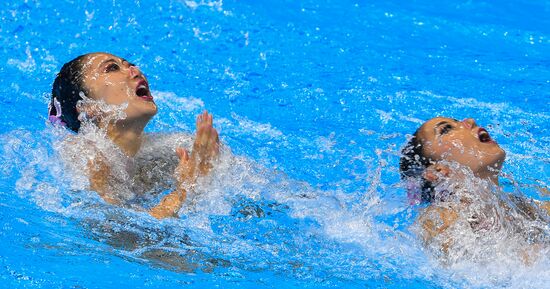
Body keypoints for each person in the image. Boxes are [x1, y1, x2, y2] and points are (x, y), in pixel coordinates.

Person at [48, 52, 220, 219]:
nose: (135, 70)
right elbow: (117, 234)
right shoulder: (88, 156)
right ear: (88, 106)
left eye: (130, 65)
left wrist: (206, 169)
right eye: (112, 68)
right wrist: (184, 189)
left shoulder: (170, 147)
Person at [400, 117, 549, 261]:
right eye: (446, 129)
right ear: (438, 171)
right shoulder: (439, 220)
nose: (470, 121)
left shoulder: (524, 206)